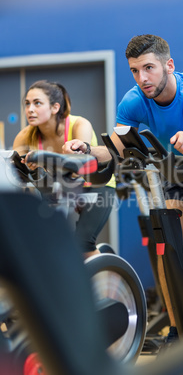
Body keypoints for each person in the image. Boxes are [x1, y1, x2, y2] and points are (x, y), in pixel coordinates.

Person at [63, 34, 183, 343]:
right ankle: (179, 330)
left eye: (149, 68)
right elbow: (114, 150)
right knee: (165, 240)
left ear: (169, 65)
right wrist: (86, 149)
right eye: (135, 71)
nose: (142, 78)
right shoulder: (134, 101)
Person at [13, 79, 115, 259]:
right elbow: (16, 171)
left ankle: (104, 283)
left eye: (37, 103)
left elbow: (79, 167)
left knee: (83, 244)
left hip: (96, 184)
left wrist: (45, 161)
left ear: (54, 107)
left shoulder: (79, 124)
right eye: (27, 104)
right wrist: (25, 167)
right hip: (60, 187)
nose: (30, 109)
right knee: (48, 242)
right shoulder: (24, 136)